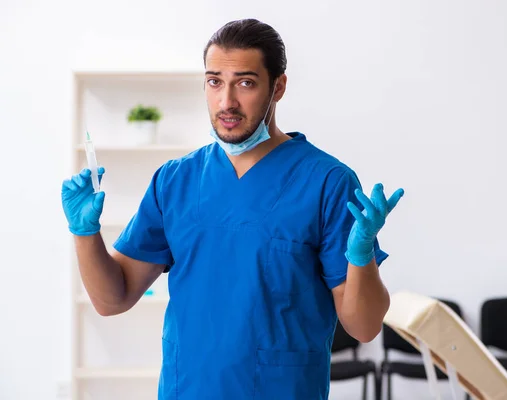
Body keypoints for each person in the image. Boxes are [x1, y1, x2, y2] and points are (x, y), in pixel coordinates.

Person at [61, 18, 404, 400]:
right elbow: (113, 299)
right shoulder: (175, 181)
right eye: (214, 82)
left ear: (278, 87)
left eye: (245, 82)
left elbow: (364, 327)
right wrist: (84, 233)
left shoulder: (326, 182)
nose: (226, 102)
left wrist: (360, 258)